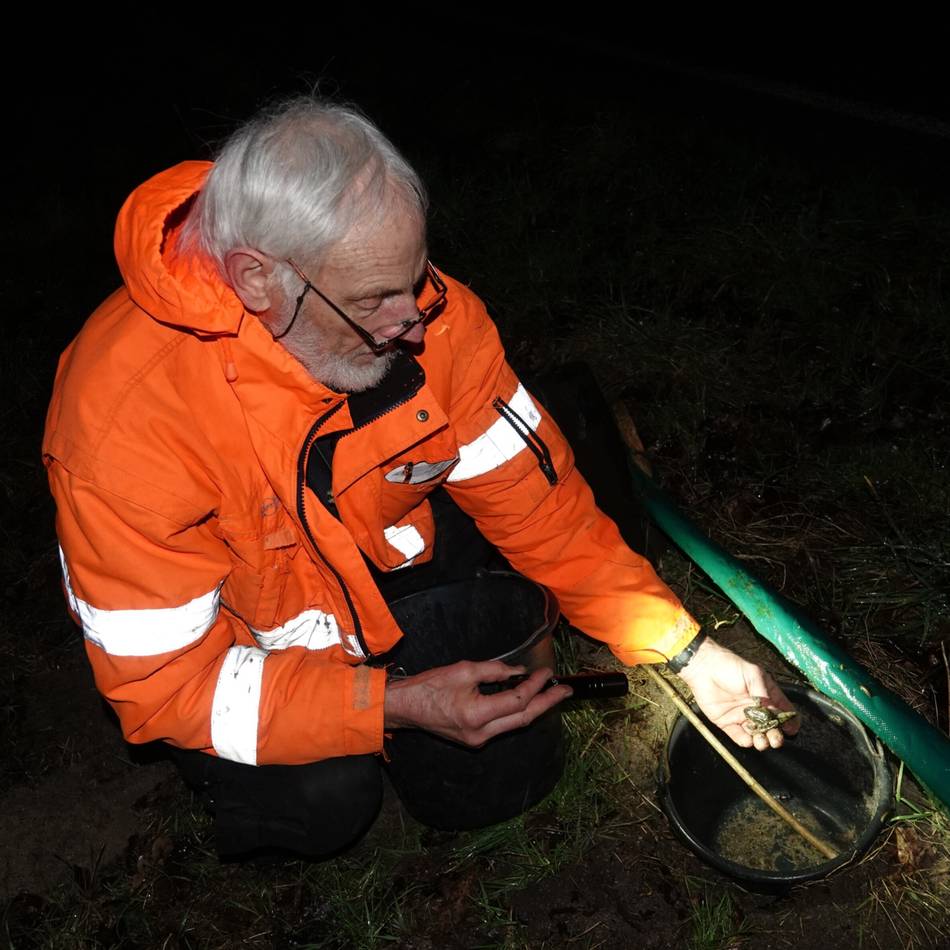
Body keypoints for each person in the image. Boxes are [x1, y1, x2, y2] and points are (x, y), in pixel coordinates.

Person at [44, 97, 797, 860]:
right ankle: (252, 806)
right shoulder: (124, 426)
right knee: (328, 802)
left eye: (413, 277)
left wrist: (685, 649)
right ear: (257, 278)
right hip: (235, 653)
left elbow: (544, 514)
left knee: (517, 570)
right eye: (374, 299)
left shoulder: (439, 321)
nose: (415, 322)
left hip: (363, 578)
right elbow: (166, 684)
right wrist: (389, 707)